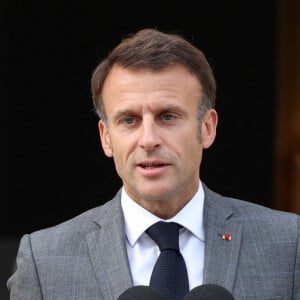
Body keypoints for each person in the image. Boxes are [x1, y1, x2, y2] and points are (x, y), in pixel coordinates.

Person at [7, 28, 300, 299]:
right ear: (106, 137)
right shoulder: (44, 261)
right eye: (129, 120)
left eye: (167, 116)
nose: (148, 139)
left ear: (207, 128)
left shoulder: (288, 244)